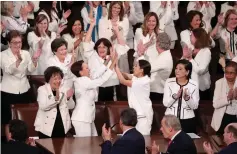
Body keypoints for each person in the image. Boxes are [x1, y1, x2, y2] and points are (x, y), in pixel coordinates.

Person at [70, 48, 117, 137]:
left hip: (88, 118)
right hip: (82, 119)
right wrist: (114, 62)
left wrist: (109, 59)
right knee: (85, 147)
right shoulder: (82, 81)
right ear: (80, 72)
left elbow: (99, 72)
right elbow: (101, 80)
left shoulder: (87, 79)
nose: (89, 69)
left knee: (94, 141)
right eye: (87, 68)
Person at [1, 30, 39, 136]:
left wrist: (35, 61)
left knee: (23, 118)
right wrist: (17, 61)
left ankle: (23, 142)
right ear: (9, 43)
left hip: (24, 89)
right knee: (8, 120)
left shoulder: (26, 53)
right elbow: (8, 70)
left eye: (19, 42)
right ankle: (10, 145)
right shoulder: (3, 55)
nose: (18, 45)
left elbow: (30, 69)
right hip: (8, 91)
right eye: (15, 42)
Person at [83, 18, 129, 101]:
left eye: (104, 47)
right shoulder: (92, 55)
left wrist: (116, 31)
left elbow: (122, 45)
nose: (101, 49)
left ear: (109, 48)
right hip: (98, 88)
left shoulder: (113, 53)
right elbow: (86, 43)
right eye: (99, 47)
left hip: (113, 87)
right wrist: (91, 26)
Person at [115, 57, 153, 135]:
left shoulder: (143, 81)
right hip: (135, 115)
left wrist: (115, 66)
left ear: (141, 70)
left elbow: (123, 81)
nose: (133, 67)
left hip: (143, 116)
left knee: (144, 139)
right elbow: (126, 75)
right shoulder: (137, 77)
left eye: (136, 66)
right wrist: (117, 69)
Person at [34, 66, 75, 138]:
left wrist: (68, 98)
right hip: (46, 127)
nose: (58, 81)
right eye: (55, 79)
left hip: (62, 124)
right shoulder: (42, 89)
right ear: (48, 79)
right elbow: (43, 107)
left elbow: (71, 106)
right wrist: (56, 96)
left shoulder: (65, 89)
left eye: (59, 78)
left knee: (61, 148)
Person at [163, 60, 199, 133]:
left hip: (187, 120)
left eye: (180, 69)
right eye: (176, 68)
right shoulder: (169, 82)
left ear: (187, 72)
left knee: (187, 142)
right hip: (171, 119)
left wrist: (188, 99)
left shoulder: (194, 84)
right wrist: (175, 97)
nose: (177, 71)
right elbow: (166, 103)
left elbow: (195, 106)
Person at [137, 32, 173, 101]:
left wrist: (141, 54)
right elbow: (151, 63)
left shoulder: (164, 58)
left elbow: (146, 68)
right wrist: (143, 54)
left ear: (158, 43)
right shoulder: (163, 55)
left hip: (157, 92)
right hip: (155, 90)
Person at [182, 28, 211, 99]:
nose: (190, 37)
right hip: (188, 85)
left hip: (201, 88)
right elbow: (181, 65)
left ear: (198, 38)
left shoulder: (206, 52)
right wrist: (184, 56)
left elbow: (200, 70)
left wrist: (190, 59)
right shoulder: (190, 48)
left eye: (191, 36)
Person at [211, 62, 237, 135]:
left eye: (231, 73)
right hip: (222, 118)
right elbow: (215, 104)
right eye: (226, 72)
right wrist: (228, 98)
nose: (228, 75)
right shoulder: (219, 83)